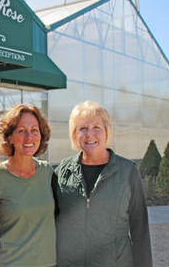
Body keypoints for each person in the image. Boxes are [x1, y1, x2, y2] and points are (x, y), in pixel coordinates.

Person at [53, 101, 152, 266]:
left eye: (96, 127)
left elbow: (140, 231)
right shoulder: (61, 172)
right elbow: (50, 225)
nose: (89, 134)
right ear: (74, 134)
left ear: (106, 132)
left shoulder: (128, 172)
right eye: (82, 128)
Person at [0, 104, 56, 266]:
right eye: (21, 130)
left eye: (34, 130)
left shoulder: (47, 172)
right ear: (9, 137)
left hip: (48, 262)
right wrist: (8, 234)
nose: (29, 136)